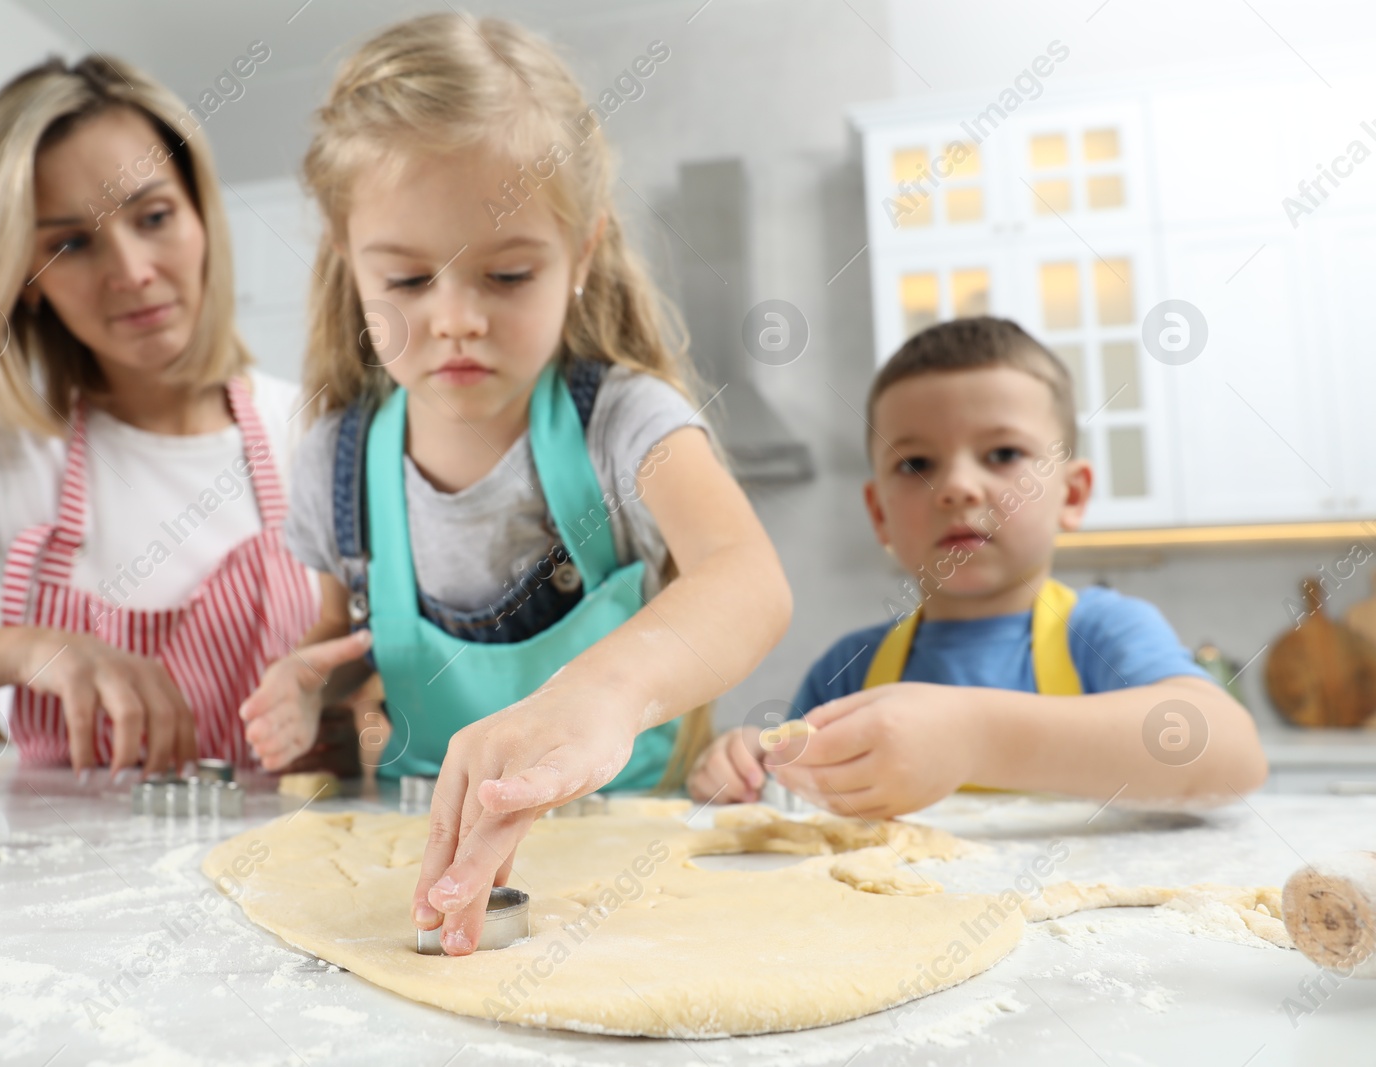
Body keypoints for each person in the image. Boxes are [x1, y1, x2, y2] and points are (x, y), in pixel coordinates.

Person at [236, 14, 791, 955]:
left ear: (581, 256)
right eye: (408, 278)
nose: (455, 318)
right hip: (410, 871)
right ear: (346, 259)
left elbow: (748, 581)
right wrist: (309, 699)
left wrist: (601, 695)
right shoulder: (334, 459)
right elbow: (350, 666)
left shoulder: (624, 422)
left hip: (627, 871)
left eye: (506, 273)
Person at [0, 55, 349, 778]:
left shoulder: (317, 430)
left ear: (202, 216)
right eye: (70, 243)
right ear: (26, 280)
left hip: (276, 874)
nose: (133, 270)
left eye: (155, 216)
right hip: (61, 880)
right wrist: (21, 649)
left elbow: (384, 675)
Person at [689, 316, 1268, 815]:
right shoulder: (848, 669)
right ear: (879, 514)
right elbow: (796, 796)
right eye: (916, 462)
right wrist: (752, 764)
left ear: (1072, 495)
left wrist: (974, 735)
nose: (958, 487)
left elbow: (1231, 757)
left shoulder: (1102, 634)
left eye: (1002, 454)